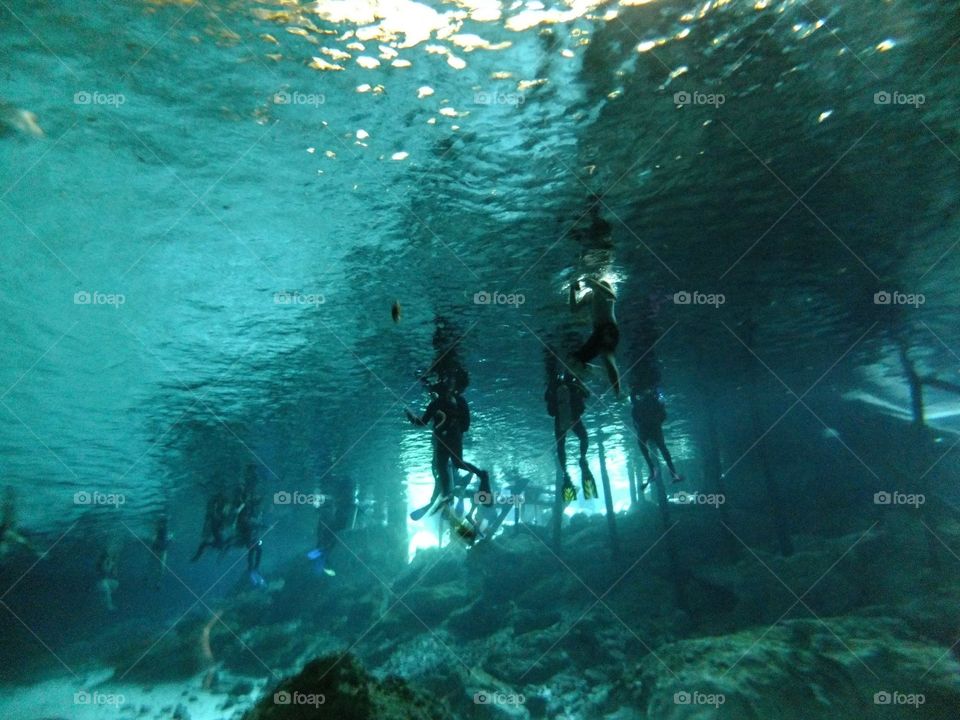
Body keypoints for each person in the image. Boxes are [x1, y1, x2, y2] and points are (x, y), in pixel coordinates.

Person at [406, 374, 491, 510]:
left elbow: (422, 422)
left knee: (442, 466)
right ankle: (480, 475)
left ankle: (446, 493)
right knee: (455, 463)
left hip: (443, 438)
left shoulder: (435, 404)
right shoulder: (458, 400)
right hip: (454, 437)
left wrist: (411, 417)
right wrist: (460, 431)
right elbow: (466, 422)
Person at [545, 369, 597, 503]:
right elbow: (587, 394)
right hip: (575, 417)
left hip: (560, 419)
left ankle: (565, 473)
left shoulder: (555, 385)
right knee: (583, 437)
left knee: (561, 446)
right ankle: (583, 459)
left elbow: (547, 399)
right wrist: (579, 383)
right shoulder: (574, 385)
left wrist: (550, 386)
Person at [570, 277, 621, 397]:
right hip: (597, 332)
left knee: (607, 358)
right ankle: (590, 369)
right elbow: (574, 309)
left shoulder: (603, 284)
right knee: (573, 361)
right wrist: (572, 289)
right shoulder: (588, 295)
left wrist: (596, 284)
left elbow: (612, 296)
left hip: (609, 329)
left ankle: (618, 393)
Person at [631, 387, 682, 487]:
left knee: (645, 450)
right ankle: (673, 472)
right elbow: (663, 415)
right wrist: (657, 422)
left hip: (644, 428)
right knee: (663, 449)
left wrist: (639, 425)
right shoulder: (656, 403)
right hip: (654, 428)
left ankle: (652, 471)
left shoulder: (639, 404)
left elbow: (634, 414)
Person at [233, 467, 265, 586]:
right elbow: (244, 520)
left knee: (256, 550)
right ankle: (252, 569)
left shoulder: (249, 507)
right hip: (247, 533)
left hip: (251, 534)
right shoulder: (244, 510)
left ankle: (253, 568)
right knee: (254, 550)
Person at [191, 489, 232, 562]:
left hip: (216, 527)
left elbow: (204, 545)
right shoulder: (219, 543)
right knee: (219, 515)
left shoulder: (219, 543)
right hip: (217, 528)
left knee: (218, 515)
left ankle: (218, 500)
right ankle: (219, 500)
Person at [0, 487, 35, 559]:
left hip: (7, 526)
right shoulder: (8, 535)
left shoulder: (8, 534)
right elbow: (24, 542)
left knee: (9, 508)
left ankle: (10, 494)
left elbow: (24, 542)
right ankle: (9, 495)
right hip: (7, 526)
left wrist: (37, 552)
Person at [150, 514, 171, 590]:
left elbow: (155, 537)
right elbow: (156, 537)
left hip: (159, 549)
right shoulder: (161, 529)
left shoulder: (162, 529)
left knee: (158, 566)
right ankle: (157, 581)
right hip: (159, 549)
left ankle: (157, 582)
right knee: (159, 566)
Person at [96, 545, 120, 611]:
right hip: (100, 582)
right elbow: (105, 570)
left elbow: (114, 574)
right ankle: (109, 606)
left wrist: (113, 566)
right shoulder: (102, 562)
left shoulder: (105, 561)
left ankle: (103, 602)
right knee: (107, 591)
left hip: (103, 581)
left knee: (115, 584)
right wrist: (111, 564)